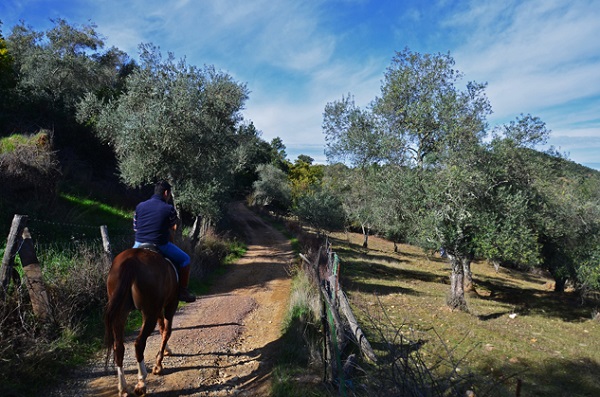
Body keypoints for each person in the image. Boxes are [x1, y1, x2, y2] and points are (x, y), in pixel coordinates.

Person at [133, 180, 196, 302]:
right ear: (166, 193)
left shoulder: (139, 206)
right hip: (160, 243)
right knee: (185, 260)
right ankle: (183, 291)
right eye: (170, 194)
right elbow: (172, 229)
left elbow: (136, 228)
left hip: (139, 243)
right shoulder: (169, 209)